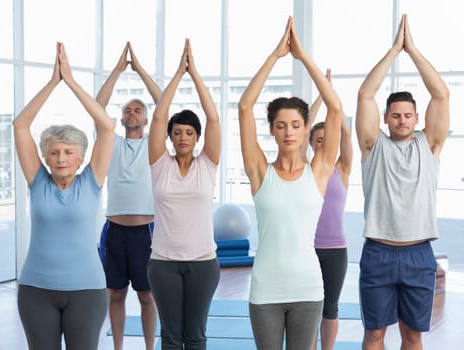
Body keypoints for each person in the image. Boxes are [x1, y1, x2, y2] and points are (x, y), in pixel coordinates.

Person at [238, 17, 343, 350]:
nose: (288, 132)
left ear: (305, 129)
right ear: (272, 130)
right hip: (265, 289)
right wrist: (275, 57)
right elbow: (244, 107)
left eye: (296, 125)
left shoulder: (320, 171)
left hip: (308, 289)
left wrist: (303, 57)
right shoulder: (259, 172)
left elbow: (337, 109)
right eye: (281, 125)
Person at [355, 14, 450, 350]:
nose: (402, 119)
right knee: (375, 335)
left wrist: (414, 51)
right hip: (379, 252)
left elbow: (440, 95)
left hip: (419, 254)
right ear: (386, 119)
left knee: (413, 335)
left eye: (408, 114)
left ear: (416, 118)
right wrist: (395, 50)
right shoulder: (372, 146)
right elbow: (365, 94)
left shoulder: (430, 144)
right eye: (395, 114)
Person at [14, 42, 115, 350]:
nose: (60, 158)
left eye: (68, 152)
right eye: (54, 152)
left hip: (87, 291)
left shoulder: (91, 181)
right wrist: (52, 83)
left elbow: (107, 128)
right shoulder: (37, 181)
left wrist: (70, 81)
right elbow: (20, 125)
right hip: (35, 290)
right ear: (45, 157)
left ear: (81, 157)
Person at [147, 38, 221, 350]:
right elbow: (158, 117)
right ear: (170, 138)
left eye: (189, 132)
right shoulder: (159, 164)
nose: (182, 137)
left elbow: (214, 118)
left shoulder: (208, 164)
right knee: (171, 335)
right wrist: (178, 74)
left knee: (196, 335)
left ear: (197, 137)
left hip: (203, 262)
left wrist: (196, 75)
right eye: (177, 133)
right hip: (163, 262)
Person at [96, 41, 161, 350]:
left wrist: (140, 69)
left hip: (146, 232)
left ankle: (150, 347)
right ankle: (118, 346)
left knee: (148, 296)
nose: (131, 112)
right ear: (121, 119)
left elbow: (162, 103)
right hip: (114, 232)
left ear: (146, 120)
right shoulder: (112, 144)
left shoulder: (153, 145)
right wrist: (119, 70)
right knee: (115, 295)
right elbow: (98, 106)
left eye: (137, 110)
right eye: (127, 110)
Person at [307, 70, 353, 350]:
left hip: (336, 249)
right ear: (311, 143)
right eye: (318, 139)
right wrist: (319, 96)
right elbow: (306, 124)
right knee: (309, 306)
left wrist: (333, 99)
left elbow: (346, 133)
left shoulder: (342, 168)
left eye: (328, 139)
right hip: (306, 247)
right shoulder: (304, 169)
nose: (323, 143)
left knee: (330, 307)